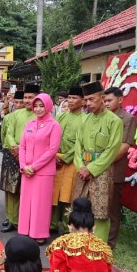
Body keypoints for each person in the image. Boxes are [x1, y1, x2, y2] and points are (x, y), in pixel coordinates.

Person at [72, 81, 123, 242]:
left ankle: (97, 247)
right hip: (81, 171)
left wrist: (91, 168)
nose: (87, 103)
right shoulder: (84, 120)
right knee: (79, 207)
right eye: (86, 100)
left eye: (91, 99)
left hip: (102, 171)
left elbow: (112, 150)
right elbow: (77, 147)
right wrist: (81, 166)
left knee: (99, 211)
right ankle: (77, 243)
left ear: (102, 98)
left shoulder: (114, 121)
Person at [18, 93, 62, 244]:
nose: (37, 109)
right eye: (35, 106)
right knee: (26, 202)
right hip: (27, 171)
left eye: (41, 105)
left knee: (40, 203)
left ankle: (39, 233)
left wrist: (34, 167)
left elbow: (52, 150)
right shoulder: (30, 124)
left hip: (43, 172)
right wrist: (23, 166)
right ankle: (25, 229)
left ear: (48, 106)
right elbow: (22, 146)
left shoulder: (54, 125)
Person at [1, 84, 40, 232]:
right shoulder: (16, 114)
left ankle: (24, 220)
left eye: (31, 97)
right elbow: (8, 133)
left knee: (25, 191)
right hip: (13, 155)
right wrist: (15, 148)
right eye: (25, 97)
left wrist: (24, 152)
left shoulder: (40, 115)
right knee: (10, 189)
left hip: (31, 158)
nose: (27, 100)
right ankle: (11, 219)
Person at [104, 86, 137, 249]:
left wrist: (102, 162)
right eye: (104, 101)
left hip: (114, 168)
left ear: (120, 100)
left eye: (109, 100)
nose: (106, 104)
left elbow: (124, 147)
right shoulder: (102, 117)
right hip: (98, 167)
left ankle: (110, 243)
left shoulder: (128, 119)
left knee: (113, 208)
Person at [51, 86, 84, 234]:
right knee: (53, 193)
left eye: (74, 98)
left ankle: (66, 227)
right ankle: (51, 224)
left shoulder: (85, 119)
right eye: (69, 98)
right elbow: (52, 136)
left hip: (72, 161)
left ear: (82, 101)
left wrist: (66, 158)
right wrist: (53, 155)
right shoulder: (61, 116)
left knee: (68, 194)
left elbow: (80, 143)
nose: (70, 101)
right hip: (55, 159)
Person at [0, 90, 23, 230]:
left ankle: (17, 218)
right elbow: (3, 138)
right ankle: (9, 217)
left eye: (21, 102)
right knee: (9, 188)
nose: (19, 104)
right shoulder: (8, 117)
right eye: (17, 101)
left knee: (20, 190)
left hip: (24, 156)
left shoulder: (31, 118)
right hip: (9, 155)